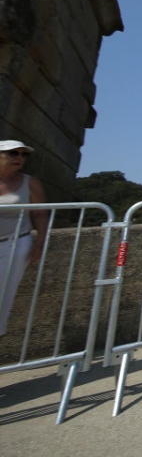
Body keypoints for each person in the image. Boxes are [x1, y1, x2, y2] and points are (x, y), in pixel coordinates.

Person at [1, 140, 48, 337]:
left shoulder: (30, 182)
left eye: (23, 154)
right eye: (13, 153)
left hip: (13, 245)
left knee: (3, 302)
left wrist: (40, 242)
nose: (19, 158)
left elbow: (40, 214)